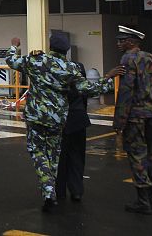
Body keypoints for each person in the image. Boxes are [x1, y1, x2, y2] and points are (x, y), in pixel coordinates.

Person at [6, 33, 123, 211]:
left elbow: (11, 61)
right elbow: (89, 89)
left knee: (38, 152)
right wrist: (108, 78)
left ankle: (48, 191)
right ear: (67, 50)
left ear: (50, 46)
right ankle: (51, 190)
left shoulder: (36, 60)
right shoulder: (70, 68)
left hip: (35, 117)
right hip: (57, 119)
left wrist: (14, 46)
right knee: (53, 156)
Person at [113, 25, 152, 215]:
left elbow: (126, 91)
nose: (118, 43)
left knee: (137, 156)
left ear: (131, 42)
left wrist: (119, 121)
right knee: (151, 156)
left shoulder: (127, 59)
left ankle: (143, 201)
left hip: (136, 116)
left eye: (121, 40)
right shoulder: (150, 57)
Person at [55, 58, 90, 203]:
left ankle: (60, 190)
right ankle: (76, 190)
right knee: (77, 157)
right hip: (78, 119)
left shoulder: (56, 74)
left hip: (61, 120)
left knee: (60, 158)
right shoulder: (79, 74)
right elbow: (85, 98)